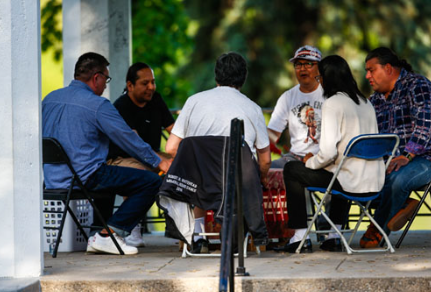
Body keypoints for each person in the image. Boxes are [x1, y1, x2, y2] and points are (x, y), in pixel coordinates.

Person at [42, 52, 171, 255]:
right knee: (152, 182)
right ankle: (107, 234)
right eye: (106, 79)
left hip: (51, 179)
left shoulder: (49, 99)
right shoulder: (97, 105)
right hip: (84, 178)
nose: (105, 85)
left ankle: (96, 231)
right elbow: (127, 138)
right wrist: (158, 161)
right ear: (97, 78)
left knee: (109, 173)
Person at [274, 55, 384, 253]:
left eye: (319, 78)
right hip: (372, 182)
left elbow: (327, 154)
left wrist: (309, 162)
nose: (319, 83)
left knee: (292, 169)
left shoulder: (333, 103)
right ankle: (334, 235)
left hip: (349, 182)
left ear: (327, 78)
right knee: (342, 168)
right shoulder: (365, 103)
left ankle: (300, 237)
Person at [164, 52, 271, 253]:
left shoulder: (193, 101)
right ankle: (234, 238)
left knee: (201, 171)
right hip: (237, 185)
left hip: (198, 184)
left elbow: (170, 148)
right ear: (243, 78)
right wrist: (262, 178)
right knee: (233, 176)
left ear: (216, 76)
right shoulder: (253, 108)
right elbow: (265, 161)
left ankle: (197, 235)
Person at [360, 47, 431, 248]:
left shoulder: (417, 85)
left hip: (425, 158)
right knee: (352, 182)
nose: (367, 76)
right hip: (388, 164)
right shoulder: (374, 101)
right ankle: (405, 204)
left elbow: (427, 124)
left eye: (371, 70)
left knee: (398, 179)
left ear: (388, 68)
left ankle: (378, 229)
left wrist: (407, 155)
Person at [107, 62, 175, 247]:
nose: (151, 87)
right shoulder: (121, 106)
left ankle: (180, 226)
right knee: (140, 173)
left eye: (153, 82)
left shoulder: (156, 99)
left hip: (153, 156)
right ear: (130, 85)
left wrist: (180, 153)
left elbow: (174, 131)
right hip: (123, 158)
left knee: (183, 167)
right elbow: (135, 145)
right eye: (145, 83)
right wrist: (160, 160)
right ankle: (132, 227)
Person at [267, 45, 324, 167]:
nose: (302, 69)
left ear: (319, 68)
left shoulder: (330, 95)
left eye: (308, 64)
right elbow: (272, 134)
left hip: (323, 159)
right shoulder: (287, 97)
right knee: (264, 170)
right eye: (298, 64)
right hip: (294, 159)